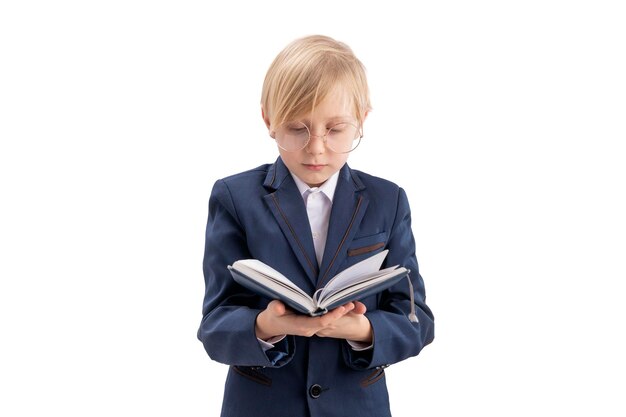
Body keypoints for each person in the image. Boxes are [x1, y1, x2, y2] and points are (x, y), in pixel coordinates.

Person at [197, 34, 434, 417]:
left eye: (335, 130)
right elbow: (214, 325)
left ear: (361, 121)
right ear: (269, 120)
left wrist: (361, 332)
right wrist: (265, 325)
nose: (316, 148)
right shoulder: (234, 198)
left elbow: (417, 320)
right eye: (297, 128)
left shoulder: (388, 201)